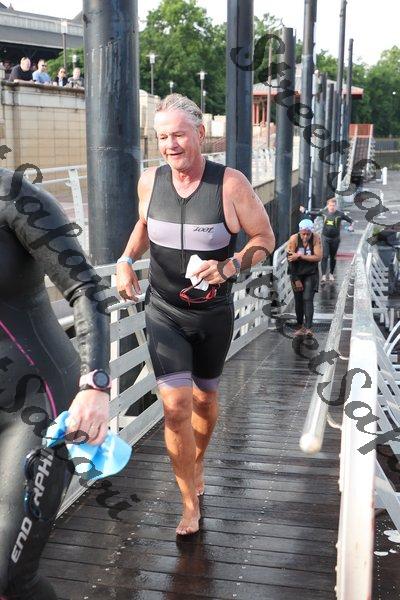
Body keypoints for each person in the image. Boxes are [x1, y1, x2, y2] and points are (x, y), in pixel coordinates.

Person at [116, 94, 275, 536]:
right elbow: (145, 225)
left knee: (204, 399)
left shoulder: (230, 184)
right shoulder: (150, 181)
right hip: (164, 311)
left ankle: (197, 461)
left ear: (200, 134)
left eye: (179, 135)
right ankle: (189, 503)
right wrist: (126, 260)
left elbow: (264, 238)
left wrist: (230, 266)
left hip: (212, 314)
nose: (170, 145)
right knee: (175, 407)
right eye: (162, 137)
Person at [0, 166, 111, 599]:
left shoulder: (16, 197)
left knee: (9, 577)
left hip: (37, 404)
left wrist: (95, 385)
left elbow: (86, 287)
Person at [300, 197, 354, 283]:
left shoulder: (340, 214)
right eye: (330, 205)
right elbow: (314, 213)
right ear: (327, 206)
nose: (332, 207)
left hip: (335, 238)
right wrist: (305, 211)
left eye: (333, 205)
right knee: (325, 256)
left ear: (336, 206)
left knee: (333, 257)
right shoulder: (324, 212)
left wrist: (351, 226)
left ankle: (331, 274)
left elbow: (351, 221)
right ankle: (324, 276)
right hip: (325, 237)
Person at [287, 218, 322, 337]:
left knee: (307, 298)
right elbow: (290, 260)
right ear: (300, 232)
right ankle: (300, 325)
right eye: (303, 234)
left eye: (308, 234)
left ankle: (308, 327)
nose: (305, 237)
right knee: (298, 300)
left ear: (311, 232)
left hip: (311, 273)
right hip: (296, 272)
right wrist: (295, 279)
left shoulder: (316, 238)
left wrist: (300, 256)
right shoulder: (294, 239)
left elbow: (318, 257)